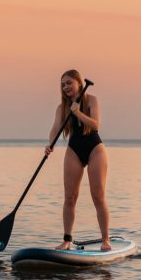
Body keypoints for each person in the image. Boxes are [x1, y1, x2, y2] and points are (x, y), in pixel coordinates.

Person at [44, 69, 110, 251]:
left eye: (68, 83)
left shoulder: (92, 101)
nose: (65, 87)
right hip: (74, 149)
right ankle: (67, 240)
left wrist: (78, 113)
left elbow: (96, 125)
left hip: (95, 149)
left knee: (98, 196)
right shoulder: (62, 108)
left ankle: (105, 239)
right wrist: (50, 144)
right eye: (62, 84)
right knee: (69, 197)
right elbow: (55, 129)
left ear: (79, 83)